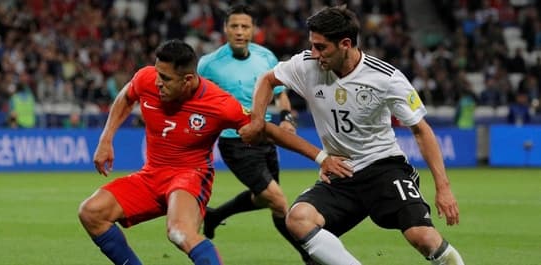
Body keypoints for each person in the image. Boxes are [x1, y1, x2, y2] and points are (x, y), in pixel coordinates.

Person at [77, 39, 351, 265]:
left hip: (189, 176)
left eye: (166, 78)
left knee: (179, 232)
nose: (157, 83)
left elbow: (266, 129)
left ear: (187, 80)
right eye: (157, 74)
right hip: (151, 175)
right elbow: (128, 94)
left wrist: (320, 157)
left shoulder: (219, 105)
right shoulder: (148, 78)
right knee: (91, 212)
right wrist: (106, 137)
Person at [240, 6, 466, 265]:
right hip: (341, 173)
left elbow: (421, 130)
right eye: (312, 45)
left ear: (345, 44)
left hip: (383, 167)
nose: (314, 54)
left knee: (423, 237)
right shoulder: (307, 65)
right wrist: (257, 119)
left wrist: (443, 188)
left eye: (321, 47)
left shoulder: (386, 78)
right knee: (298, 218)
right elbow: (268, 80)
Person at [196, 4, 314, 264]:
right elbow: (195, 102)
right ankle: (311, 256)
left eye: (245, 26)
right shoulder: (208, 65)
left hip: (266, 136)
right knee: (279, 202)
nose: (240, 32)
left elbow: (281, 94)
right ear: (225, 29)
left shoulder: (266, 57)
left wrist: (286, 118)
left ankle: (215, 216)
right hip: (234, 141)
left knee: (266, 199)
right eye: (234, 26)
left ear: (253, 30)